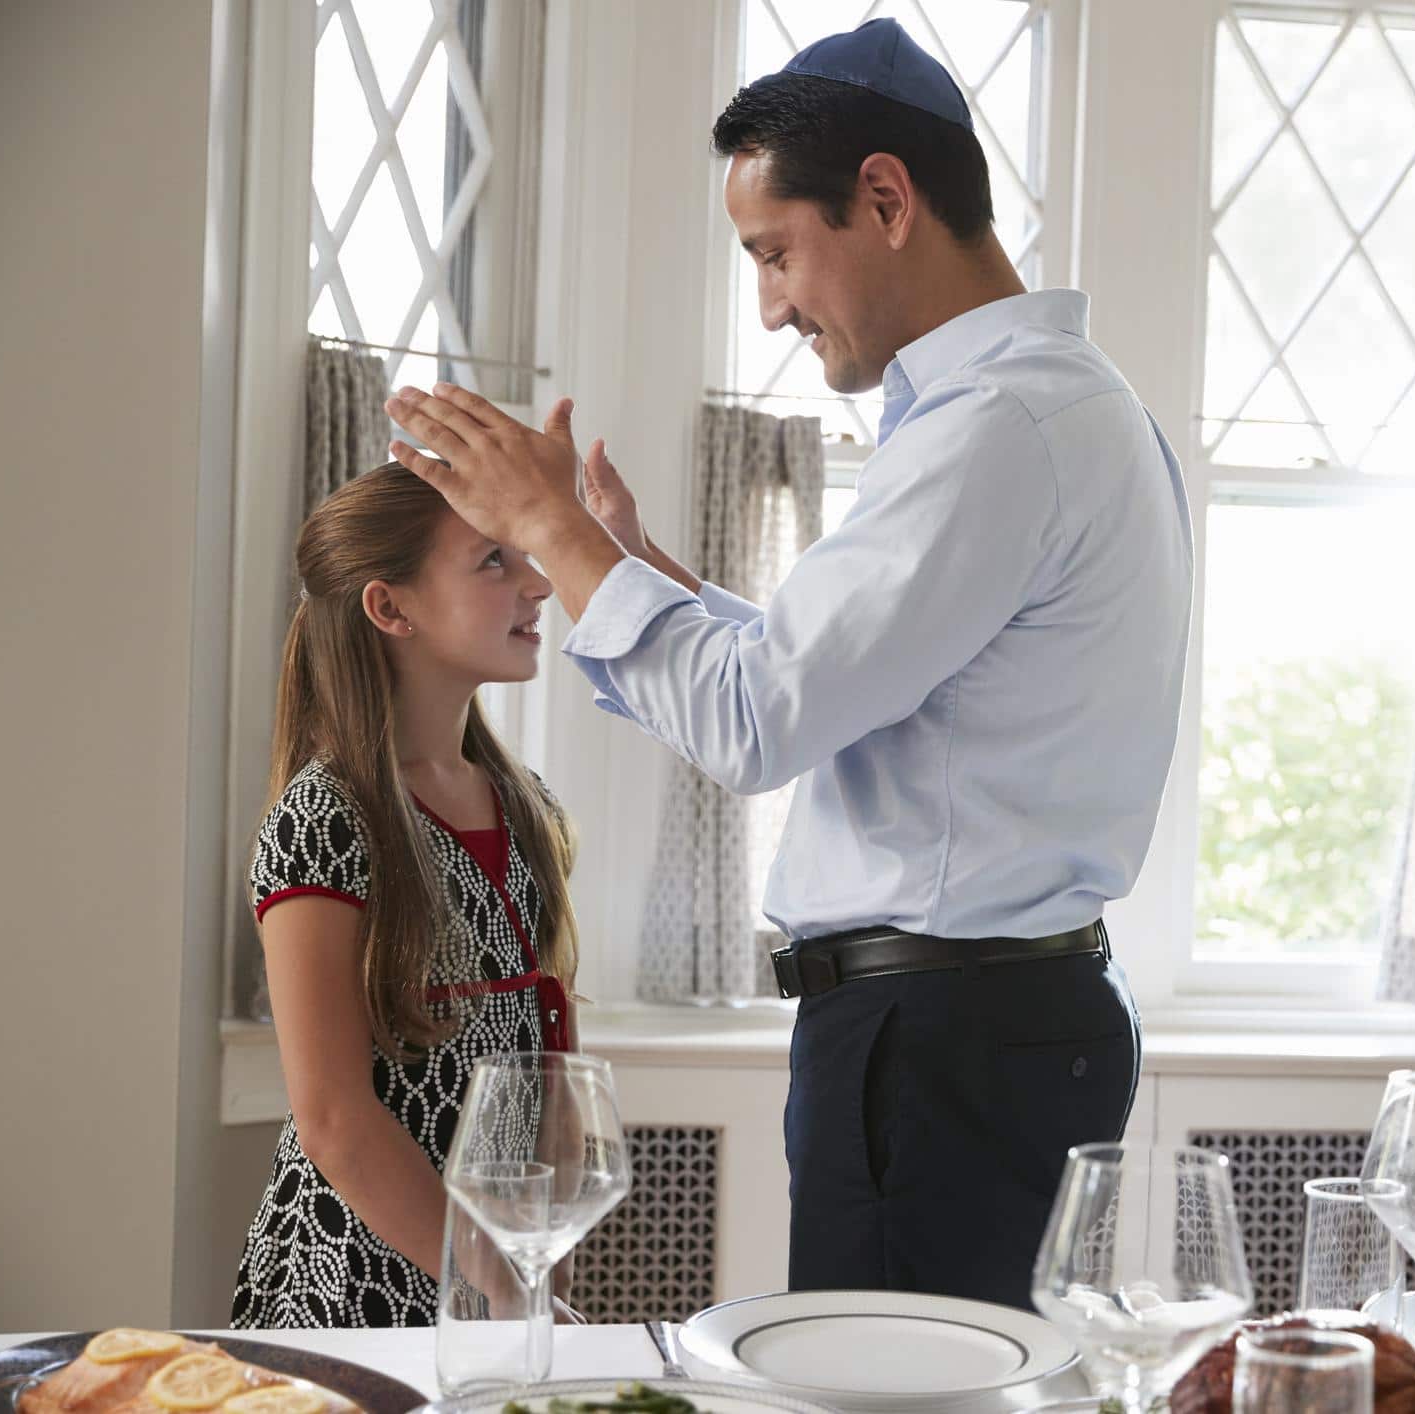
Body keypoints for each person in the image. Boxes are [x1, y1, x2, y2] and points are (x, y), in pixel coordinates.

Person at [381, 18, 1192, 1310]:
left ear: (882, 198)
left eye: (773, 253)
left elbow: (759, 720)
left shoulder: (995, 429)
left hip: (937, 1039)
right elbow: (853, 681)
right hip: (988, 1025)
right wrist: (623, 567)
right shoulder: (1062, 404)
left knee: (892, 1392)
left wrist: (548, 531)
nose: (767, 306)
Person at [232, 459, 580, 1327]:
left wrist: (539, 1272)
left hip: (497, 1286)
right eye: (493, 560)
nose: (538, 584)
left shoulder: (527, 808)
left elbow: (551, 1057)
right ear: (390, 607)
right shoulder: (324, 821)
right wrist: (496, 1287)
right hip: (354, 1286)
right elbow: (335, 1121)